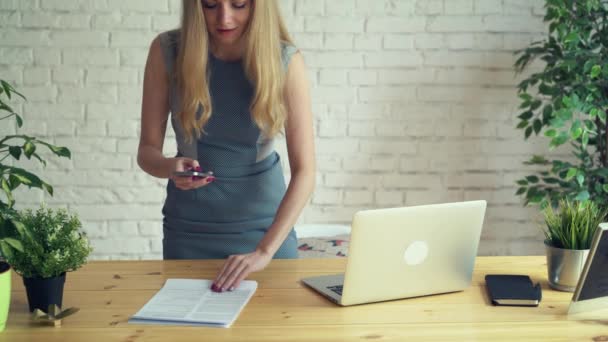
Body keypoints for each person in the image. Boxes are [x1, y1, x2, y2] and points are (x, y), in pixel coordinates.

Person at [137, 0, 315, 292]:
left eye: (239, 4)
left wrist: (265, 251)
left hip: (264, 234)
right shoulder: (166, 51)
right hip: (189, 231)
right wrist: (170, 167)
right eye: (210, 5)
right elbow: (146, 152)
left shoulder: (285, 60)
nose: (224, 18)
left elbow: (306, 172)